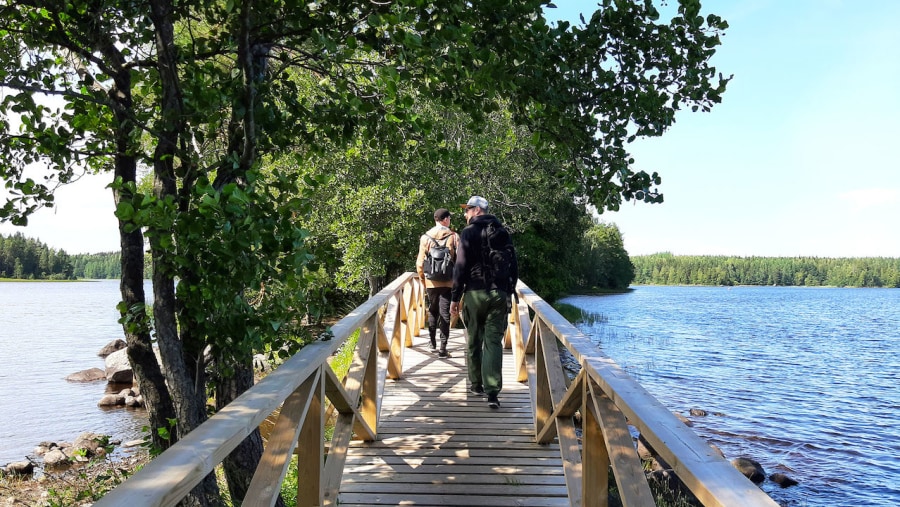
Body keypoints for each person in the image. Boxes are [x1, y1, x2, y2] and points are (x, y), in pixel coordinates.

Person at [450, 196, 518, 409]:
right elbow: (513, 264)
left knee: (474, 338)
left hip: (475, 293)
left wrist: (455, 297)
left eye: (468, 209)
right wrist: (510, 290)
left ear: (478, 210)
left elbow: (460, 267)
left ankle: (476, 384)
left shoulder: (468, 232)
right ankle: (493, 394)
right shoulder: (503, 232)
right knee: (493, 342)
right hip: (498, 293)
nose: (465, 213)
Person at [416, 208, 459, 358]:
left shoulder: (425, 237)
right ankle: (443, 348)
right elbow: (459, 262)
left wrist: (423, 280)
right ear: (445, 220)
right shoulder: (454, 237)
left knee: (433, 310)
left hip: (431, 282)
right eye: (449, 218)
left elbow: (420, 263)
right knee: (445, 313)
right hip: (448, 282)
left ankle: (432, 342)